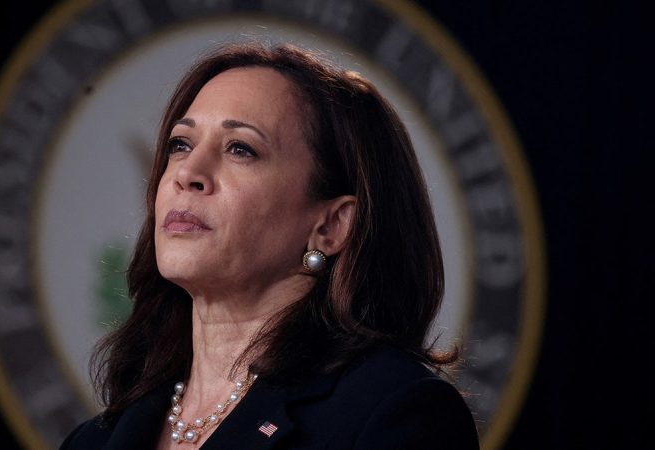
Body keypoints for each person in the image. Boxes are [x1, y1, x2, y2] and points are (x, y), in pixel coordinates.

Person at [60, 42, 479, 450]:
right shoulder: (91, 441)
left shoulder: (394, 411)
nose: (187, 173)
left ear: (330, 226)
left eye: (240, 149)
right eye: (180, 145)